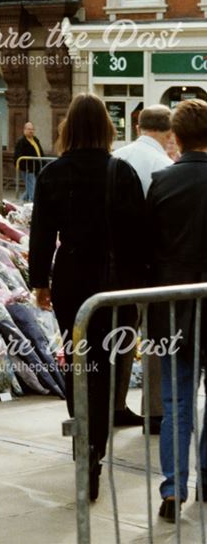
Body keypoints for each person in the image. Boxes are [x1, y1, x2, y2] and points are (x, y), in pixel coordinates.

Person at [29, 93, 146, 501]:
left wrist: (39, 282)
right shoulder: (122, 172)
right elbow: (139, 235)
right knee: (107, 364)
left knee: (79, 359)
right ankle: (96, 444)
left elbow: (41, 234)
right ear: (106, 129)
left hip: (72, 277)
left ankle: (83, 435)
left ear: (67, 129)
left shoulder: (52, 174)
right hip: (117, 282)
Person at [146, 99, 207, 524]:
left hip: (173, 308)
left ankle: (172, 489)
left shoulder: (162, 183)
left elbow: (148, 250)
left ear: (176, 137)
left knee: (176, 401)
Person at [113, 105, 174, 433]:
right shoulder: (165, 166)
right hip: (153, 266)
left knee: (120, 335)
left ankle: (114, 403)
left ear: (137, 125)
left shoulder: (117, 157)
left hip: (118, 266)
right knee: (154, 339)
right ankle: (153, 410)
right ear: (169, 134)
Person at [14, 121, 44, 201]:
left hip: (37, 168)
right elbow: (17, 156)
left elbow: (40, 152)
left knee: (32, 188)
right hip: (28, 169)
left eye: (32, 129)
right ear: (24, 130)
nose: (31, 131)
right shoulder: (22, 142)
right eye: (29, 129)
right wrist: (24, 167)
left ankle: (21, 202)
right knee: (33, 190)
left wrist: (43, 164)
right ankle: (32, 206)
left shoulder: (35, 140)